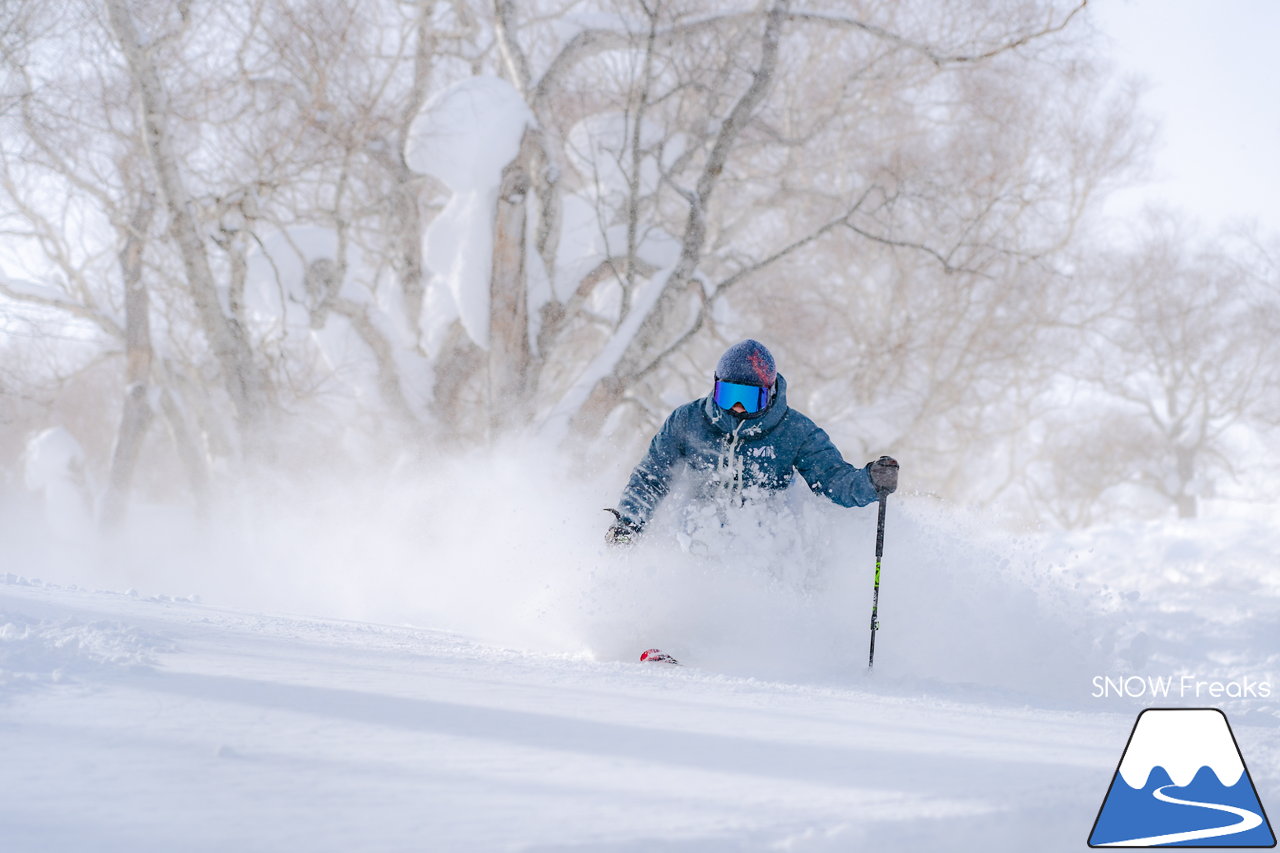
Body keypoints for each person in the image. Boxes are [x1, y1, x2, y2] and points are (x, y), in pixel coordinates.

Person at [606, 339, 898, 545]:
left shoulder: (795, 431)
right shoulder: (687, 421)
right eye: (728, 394)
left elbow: (834, 480)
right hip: (695, 541)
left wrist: (870, 481)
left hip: (763, 546)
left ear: (769, 394)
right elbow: (652, 476)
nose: (737, 407)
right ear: (715, 385)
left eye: (749, 398)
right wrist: (629, 523)